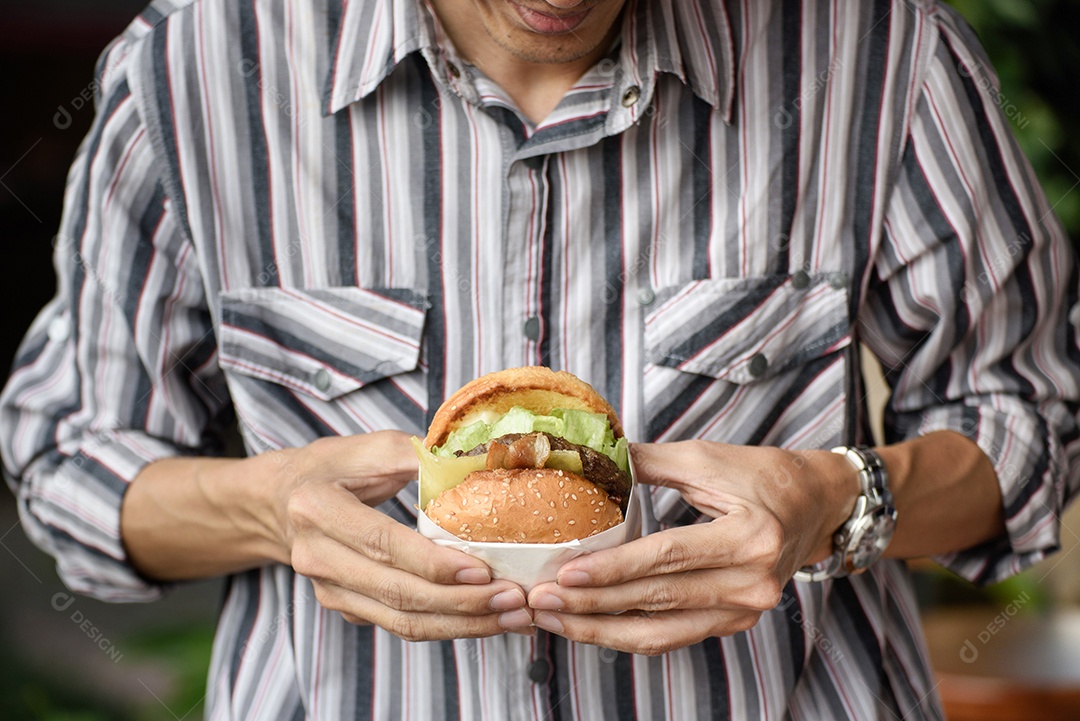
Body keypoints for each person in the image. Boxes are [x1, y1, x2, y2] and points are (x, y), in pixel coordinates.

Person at [3, 0, 1078, 717]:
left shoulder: (876, 52)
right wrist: (272, 509)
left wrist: (840, 499)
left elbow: (1027, 414)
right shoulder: (194, 71)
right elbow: (70, 458)